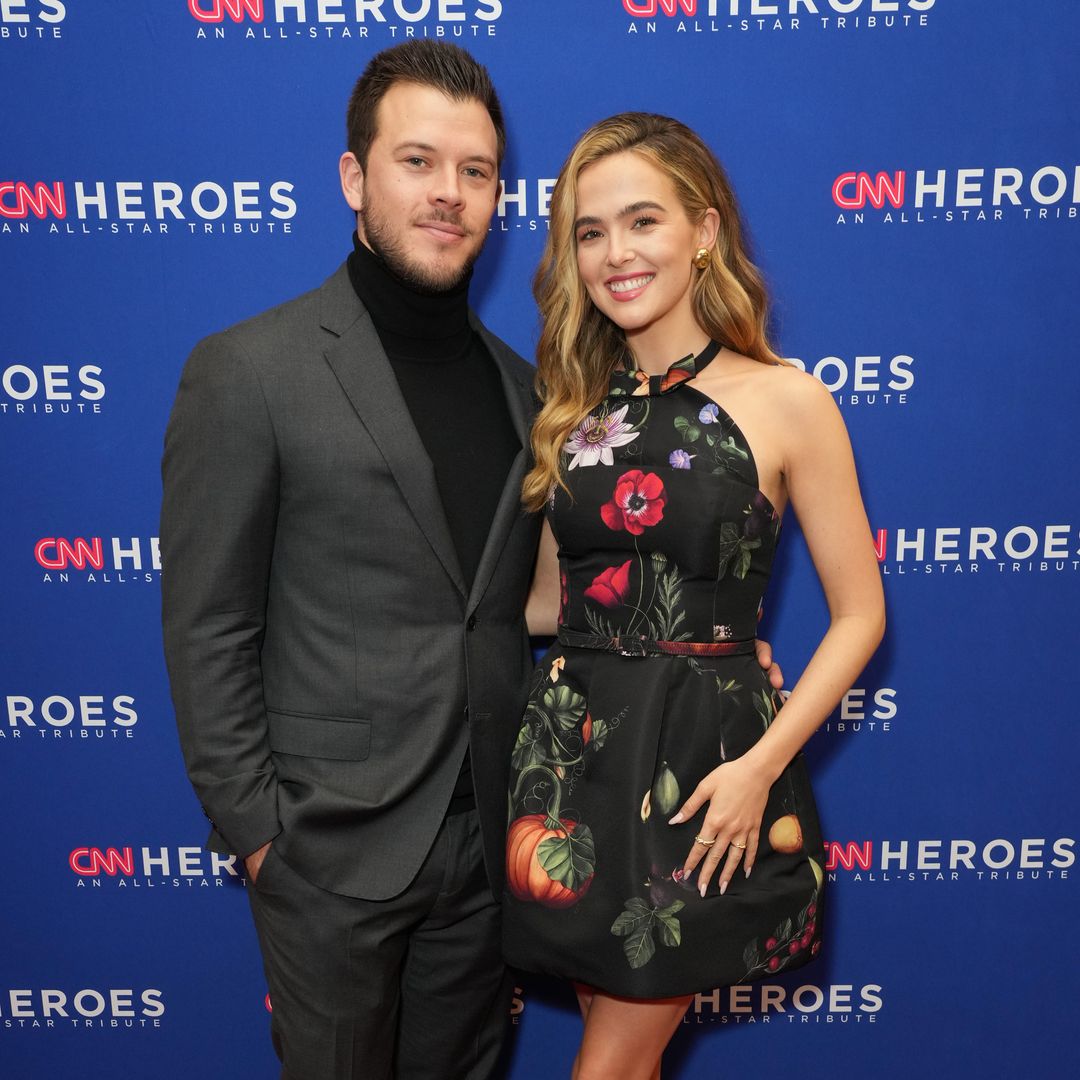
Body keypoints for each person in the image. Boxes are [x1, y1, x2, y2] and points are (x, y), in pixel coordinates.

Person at [161, 43, 785, 1079]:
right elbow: (208, 623)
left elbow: (531, 601)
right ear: (355, 178)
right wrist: (262, 834)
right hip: (329, 851)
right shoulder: (249, 370)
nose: (449, 194)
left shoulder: (533, 395)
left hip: (498, 837)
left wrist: (704, 653)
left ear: (501, 194)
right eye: (417, 161)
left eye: (477, 171)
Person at [505, 113, 885, 1080]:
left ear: (704, 231)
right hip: (570, 760)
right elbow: (551, 604)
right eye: (590, 232)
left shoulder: (787, 398)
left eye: (643, 222)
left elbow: (860, 614)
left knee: (612, 1063)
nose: (615, 254)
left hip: (703, 767)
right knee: (622, 1055)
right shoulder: (575, 406)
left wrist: (761, 764)